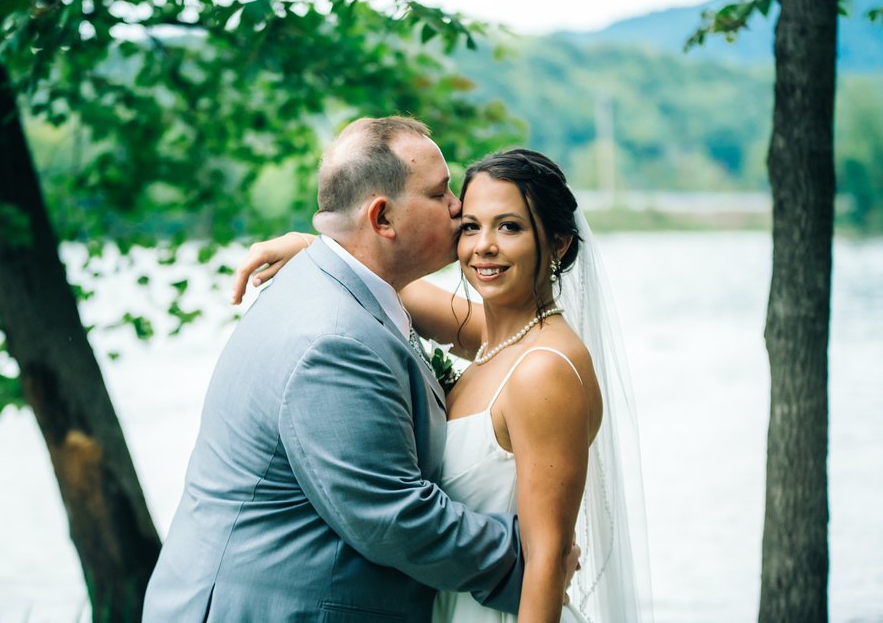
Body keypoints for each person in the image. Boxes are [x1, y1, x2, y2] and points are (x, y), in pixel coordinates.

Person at [143, 117, 540, 622]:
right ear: (382, 219)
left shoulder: (331, 284)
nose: (459, 208)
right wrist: (530, 557)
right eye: (441, 194)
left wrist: (315, 245)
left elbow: (505, 339)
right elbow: (392, 517)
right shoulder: (334, 339)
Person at [235, 149, 652, 622]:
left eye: (510, 227)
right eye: (471, 226)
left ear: (557, 244)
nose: (484, 246)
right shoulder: (497, 343)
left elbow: (547, 559)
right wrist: (318, 250)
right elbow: (383, 283)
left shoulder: (544, 369)